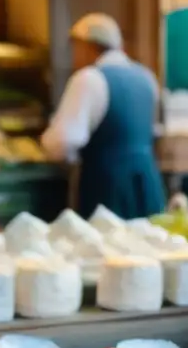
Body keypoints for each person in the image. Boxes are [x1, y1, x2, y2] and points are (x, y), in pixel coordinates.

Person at [40, 13, 164, 219]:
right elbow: (152, 130)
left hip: (107, 187)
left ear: (86, 46)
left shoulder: (88, 79)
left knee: (107, 248)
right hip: (146, 180)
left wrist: (48, 147)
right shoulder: (146, 77)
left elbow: (64, 139)